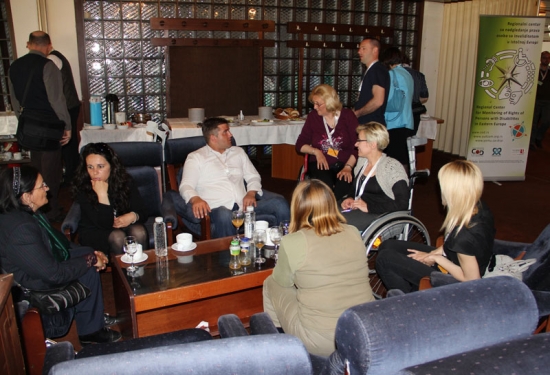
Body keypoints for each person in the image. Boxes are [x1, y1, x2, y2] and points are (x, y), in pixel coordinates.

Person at [0, 166, 121, 344]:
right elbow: (53, 274)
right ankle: (91, 332)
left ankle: (92, 321)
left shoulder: (26, 214)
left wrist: (91, 254)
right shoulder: (21, 230)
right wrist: (91, 260)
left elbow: (59, 244)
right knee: (86, 266)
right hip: (34, 289)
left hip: (38, 268)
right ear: (26, 197)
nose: (47, 189)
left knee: (86, 253)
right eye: (42, 186)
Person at [262, 179, 374, 356]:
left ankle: (279, 343)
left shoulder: (293, 241)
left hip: (321, 341)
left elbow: (283, 281)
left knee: (271, 283)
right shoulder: (353, 231)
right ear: (331, 203)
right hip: (365, 329)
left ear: (298, 207)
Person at [375, 160, 495, 293]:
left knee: (385, 259)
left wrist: (436, 258)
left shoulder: (463, 235)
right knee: (388, 246)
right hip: (452, 258)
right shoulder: (476, 207)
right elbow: (455, 245)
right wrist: (432, 253)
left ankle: (408, 301)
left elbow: (472, 279)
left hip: (454, 281)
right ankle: (414, 287)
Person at [178, 117, 290, 238]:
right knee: (224, 214)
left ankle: (285, 248)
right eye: (225, 132)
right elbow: (186, 185)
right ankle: (228, 256)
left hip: (244, 208)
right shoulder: (196, 157)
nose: (231, 135)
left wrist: (251, 193)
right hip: (217, 210)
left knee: (280, 203)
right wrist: (195, 199)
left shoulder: (238, 152)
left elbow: (253, 176)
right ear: (213, 138)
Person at [8, 31, 71, 222]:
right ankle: (50, 212)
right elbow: (57, 100)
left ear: (29, 44)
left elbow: (14, 99)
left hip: (29, 126)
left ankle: (32, 207)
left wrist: (24, 119)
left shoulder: (14, 66)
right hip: (50, 127)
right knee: (50, 171)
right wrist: (66, 125)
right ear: (48, 45)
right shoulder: (47, 65)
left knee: (35, 169)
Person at [72, 143, 148, 257]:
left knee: (139, 231)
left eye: (100, 166)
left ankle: (140, 271)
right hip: (95, 231)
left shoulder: (125, 181)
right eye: (90, 167)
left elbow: (143, 211)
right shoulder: (83, 186)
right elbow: (105, 225)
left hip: (121, 225)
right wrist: (102, 195)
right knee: (117, 237)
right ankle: (125, 274)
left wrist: (132, 216)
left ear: (111, 166)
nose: (95, 172)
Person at [341, 122, 409, 231]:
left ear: (373, 144)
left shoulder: (392, 167)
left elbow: (402, 203)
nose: (356, 144)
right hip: (359, 209)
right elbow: (355, 189)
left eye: (359, 141)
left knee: (336, 224)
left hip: (380, 215)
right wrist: (350, 197)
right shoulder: (362, 162)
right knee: (323, 215)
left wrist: (368, 207)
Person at [295, 84, 359, 200]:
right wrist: (316, 151)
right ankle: (323, 215)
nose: (315, 107)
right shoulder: (313, 117)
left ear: (329, 102)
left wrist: (348, 167)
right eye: (314, 103)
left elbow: (356, 146)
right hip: (320, 163)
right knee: (324, 187)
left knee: (344, 189)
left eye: (318, 104)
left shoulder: (348, 116)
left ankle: (340, 215)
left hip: (344, 163)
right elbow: (300, 145)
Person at [48, 47, 81, 184]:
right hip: (70, 104)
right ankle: (72, 175)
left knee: (66, 142)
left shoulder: (51, 59)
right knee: (69, 143)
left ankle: (70, 176)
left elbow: (52, 87)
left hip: (65, 107)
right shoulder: (58, 56)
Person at [380, 47, 415, 167]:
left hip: (394, 122)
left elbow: (385, 100)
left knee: (392, 161)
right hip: (407, 121)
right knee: (403, 159)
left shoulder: (391, 74)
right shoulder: (407, 73)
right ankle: (405, 183)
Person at [354, 37, 390, 126]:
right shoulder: (371, 70)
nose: (359, 51)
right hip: (367, 123)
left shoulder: (377, 70)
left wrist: (358, 113)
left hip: (372, 125)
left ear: (375, 50)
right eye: (359, 48)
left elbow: (378, 101)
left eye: (363, 48)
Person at [402, 54, 429, 133]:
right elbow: (425, 97)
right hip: (415, 112)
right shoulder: (419, 75)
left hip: (400, 115)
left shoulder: (394, 74)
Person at [530, 51, 550, 150]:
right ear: (540, 58)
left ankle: (539, 137)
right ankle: (532, 142)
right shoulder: (534, 70)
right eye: (544, 57)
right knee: (533, 122)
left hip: (547, 101)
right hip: (535, 100)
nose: (546, 60)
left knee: (547, 121)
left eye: (548, 58)